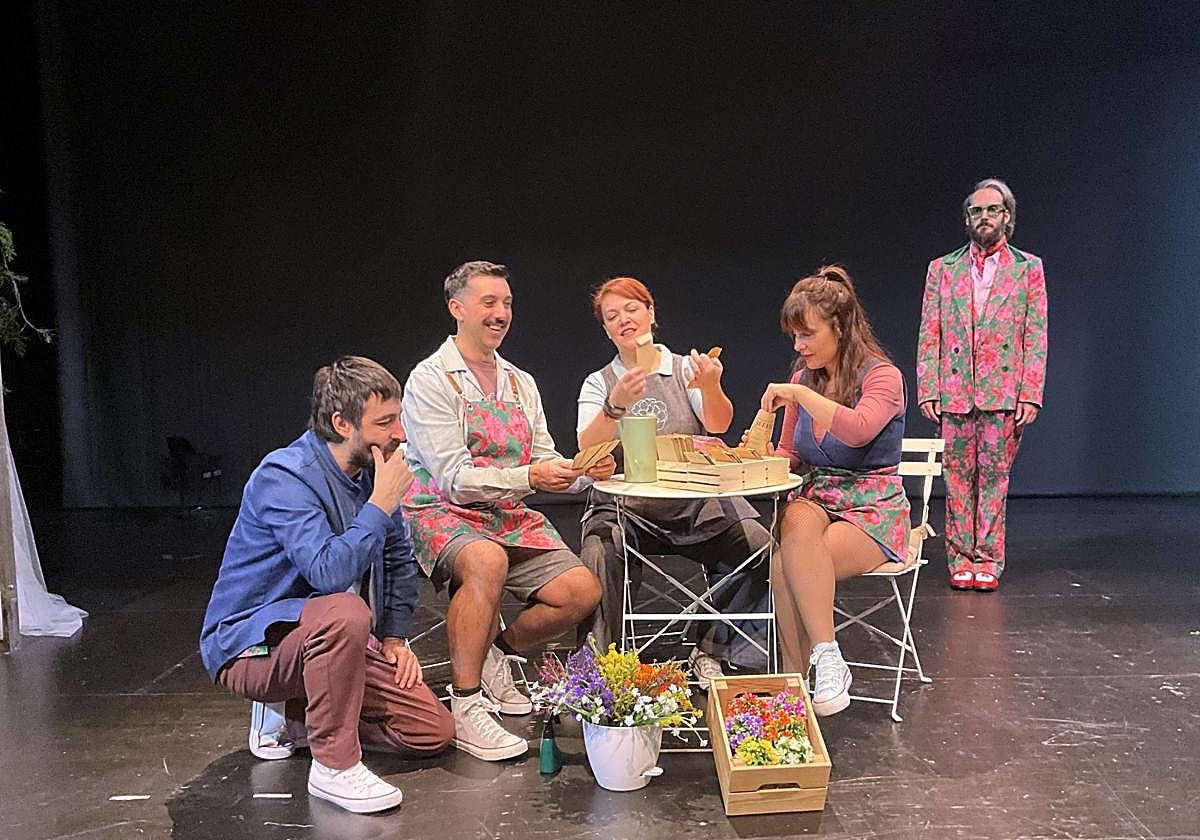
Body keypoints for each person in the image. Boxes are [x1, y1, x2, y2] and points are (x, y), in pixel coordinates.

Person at [199, 356, 453, 814]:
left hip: (333, 640)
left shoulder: (372, 474)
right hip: (252, 645)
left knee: (430, 731)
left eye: (397, 419)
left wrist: (394, 638)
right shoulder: (285, 476)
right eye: (384, 423)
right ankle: (334, 765)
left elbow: (397, 559)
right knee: (345, 610)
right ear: (341, 423)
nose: (400, 434)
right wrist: (380, 504)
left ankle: (301, 712)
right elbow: (328, 573)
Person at [402, 260, 609, 761]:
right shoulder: (431, 379)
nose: (501, 313)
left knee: (581, 591)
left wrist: (584, 471)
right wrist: (530, 478)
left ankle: (496, 654)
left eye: (507, 303)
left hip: (505, 512)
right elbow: (453, 479)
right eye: (489, 302)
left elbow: (542, 454)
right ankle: (465, 704)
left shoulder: (520, 382)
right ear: (457, 308)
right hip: (441, 510)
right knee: (486, 559)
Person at [576, 276, 773, 684]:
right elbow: (586, 446)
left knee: (757, 545)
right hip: (627, 509)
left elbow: (718, 424)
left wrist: (711, 385)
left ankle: (711, 647)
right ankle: (600, 671)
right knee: (599, 552)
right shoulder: (600, 382)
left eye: (632, 309)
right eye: (612, 316)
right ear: (606, 329)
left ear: (651, 313)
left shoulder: (683, 368)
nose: (623, 320)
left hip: (695, 502)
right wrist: (615, 406)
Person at [758, 265, 910, 716]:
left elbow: (859, 429)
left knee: (787, 561)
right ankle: (818, 668)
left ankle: (805, 674)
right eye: (794, 337)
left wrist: (801, 396)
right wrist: (755, 456)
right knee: (795, 520)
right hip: (819, 498)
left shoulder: (882, 377)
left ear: (839, 328)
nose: (798, 346)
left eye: (807, 335)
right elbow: (791, 455)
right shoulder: (803, 379)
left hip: (873, 506)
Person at [917, 178, 1048, 591]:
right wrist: (929, 387)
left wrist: (1030, 393)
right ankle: (960, 557)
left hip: (1002, 389)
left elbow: (1035, 334)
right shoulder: (943, 269)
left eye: (993, 210)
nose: (984, 217)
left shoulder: (1027, 269)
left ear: (1007, 216)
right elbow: (930, 332)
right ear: (967, 219)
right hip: (955, 389)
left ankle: (987, 558)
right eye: (977, 210)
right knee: (956, 478)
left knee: (994, 478)